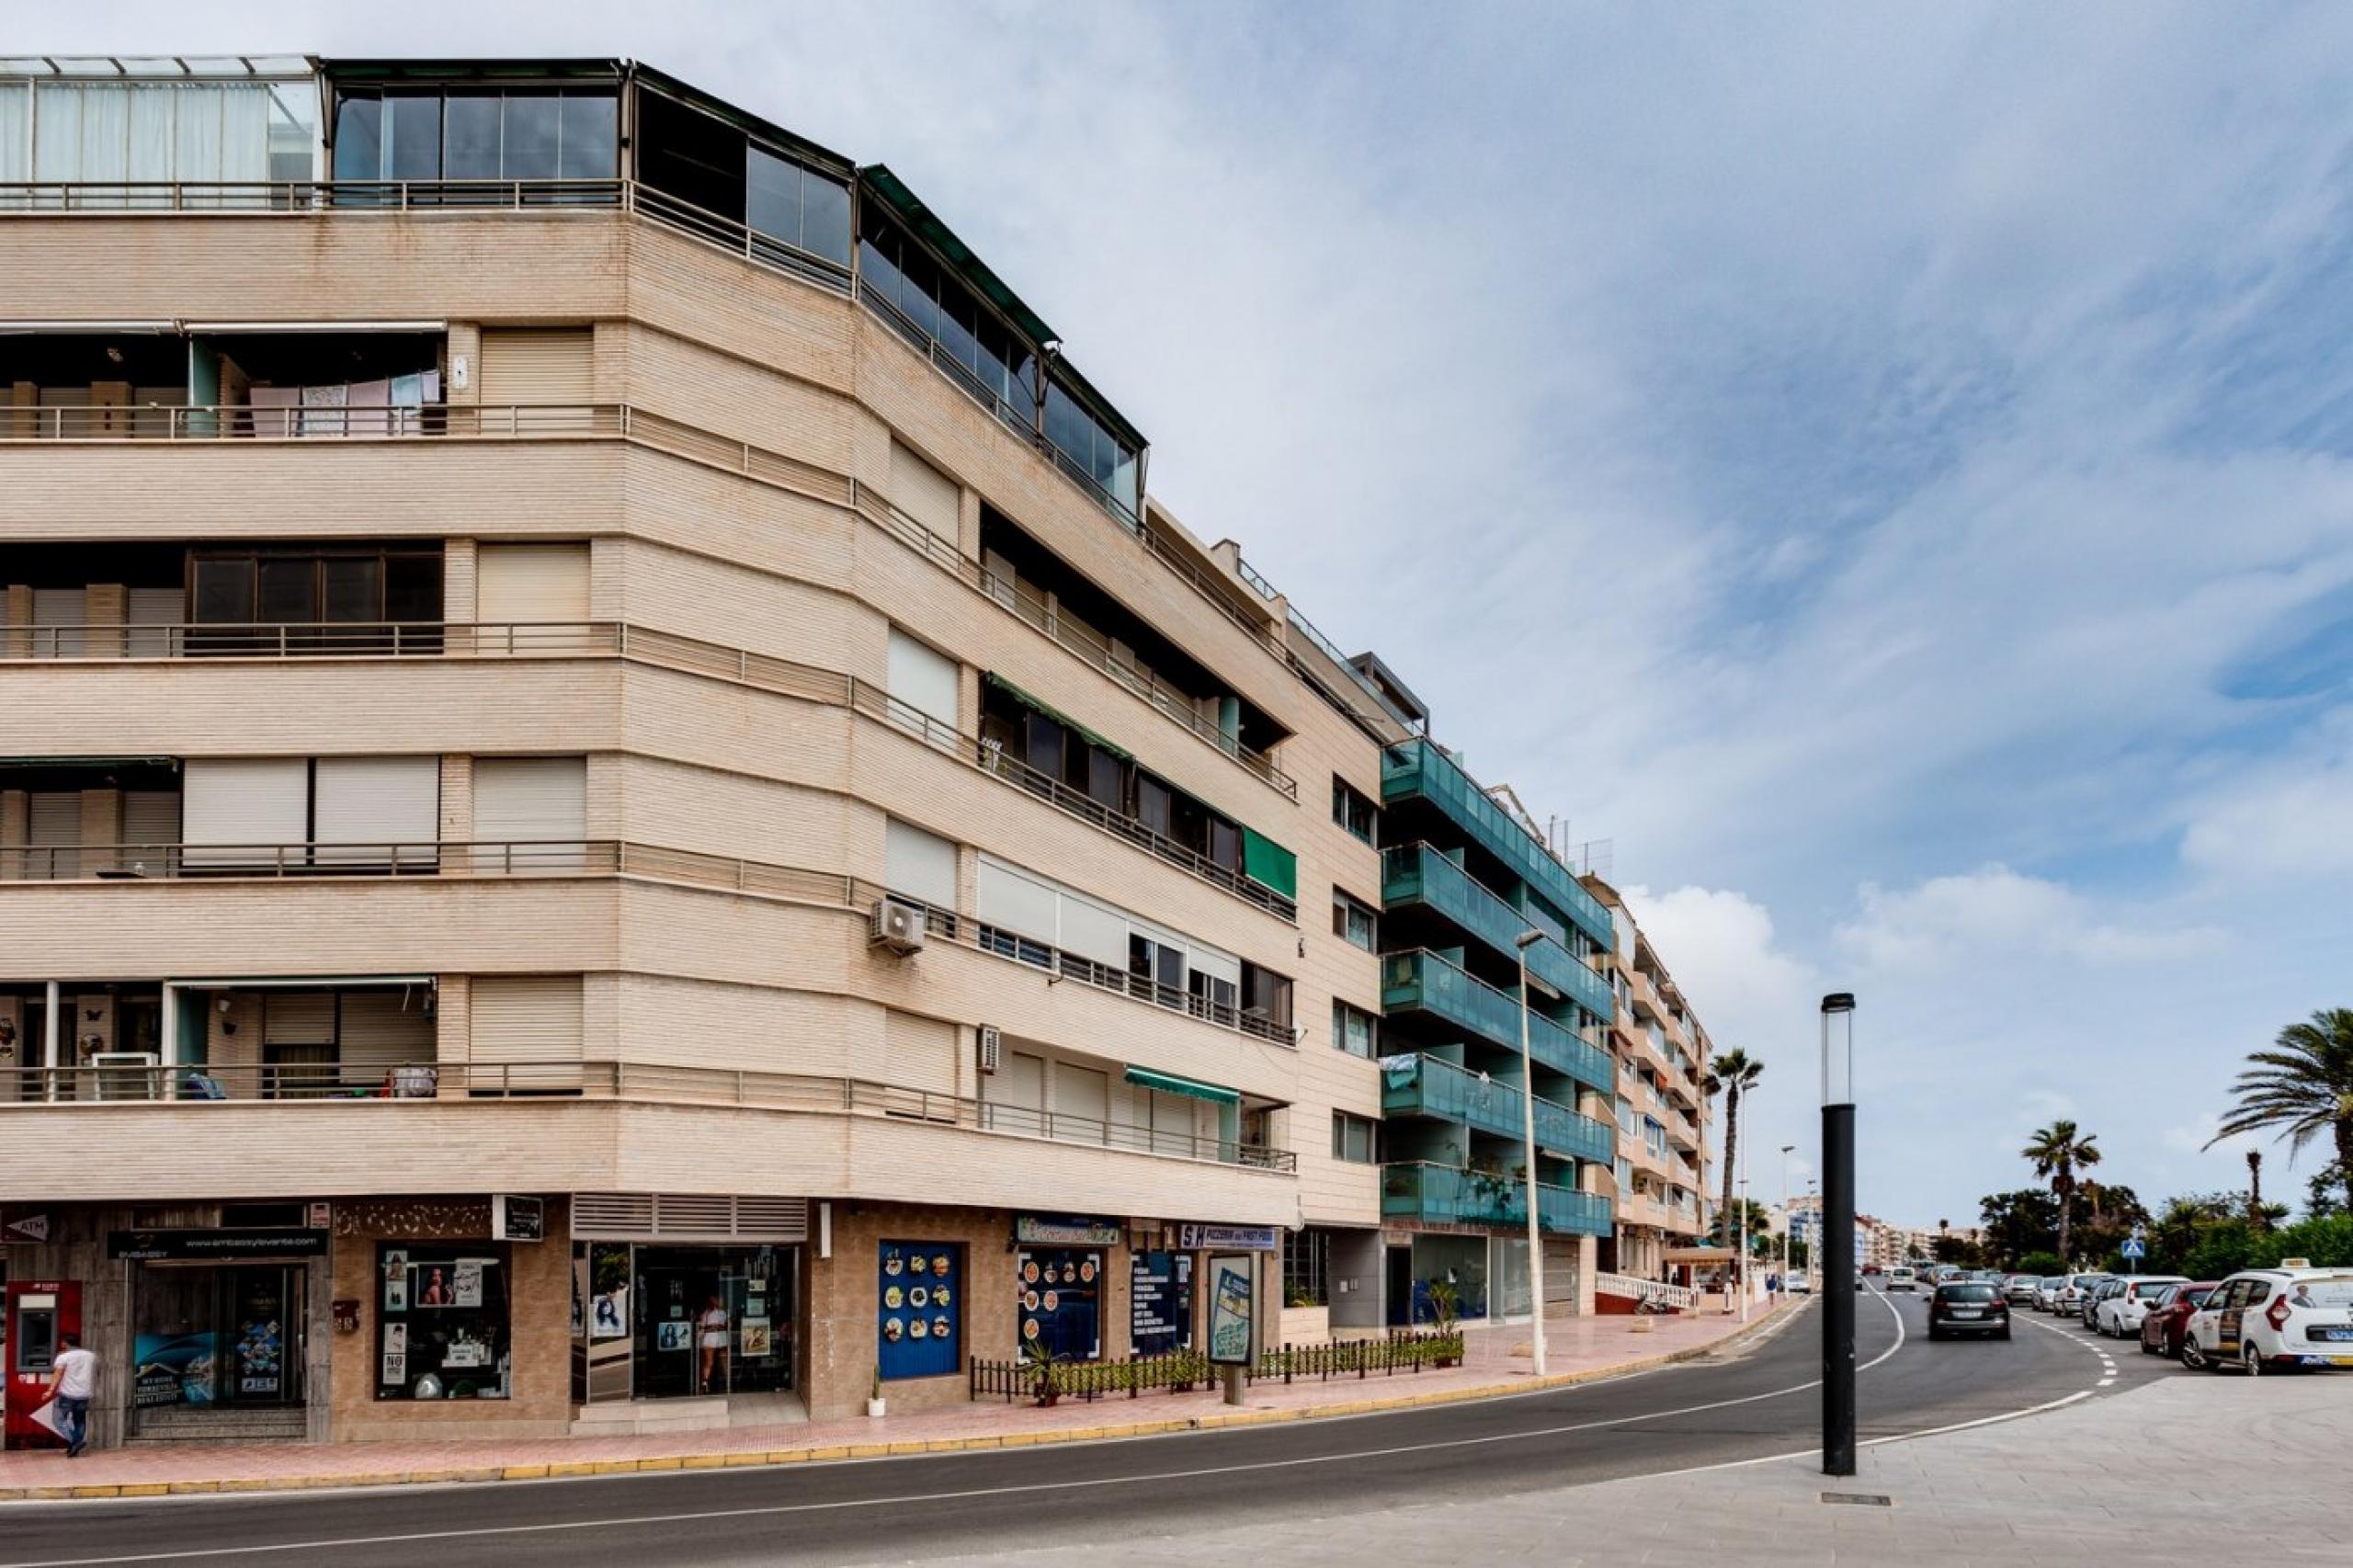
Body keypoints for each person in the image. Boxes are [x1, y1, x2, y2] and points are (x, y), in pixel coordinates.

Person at [46, 1332, 99, 1459]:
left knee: (58, 1420)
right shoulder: (91, 1356)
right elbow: (97, 1373)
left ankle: (75, 1442)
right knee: (79, 1421)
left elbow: (57, 1374)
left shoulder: (64, 1357)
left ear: (65, 1343)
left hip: (67, 1393)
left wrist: (50, 1390)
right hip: (84, 1393)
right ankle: (75, 1444)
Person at [698, 1294, 729, 1393]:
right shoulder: (722, 1313)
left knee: (710, 1362)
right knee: (722, 1360)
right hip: (719, 1338)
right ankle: (727, 1382)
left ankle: (705, 1382)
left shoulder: (706, 1313)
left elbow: (702, 1327)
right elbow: (728, 1324)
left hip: (711, 1338)